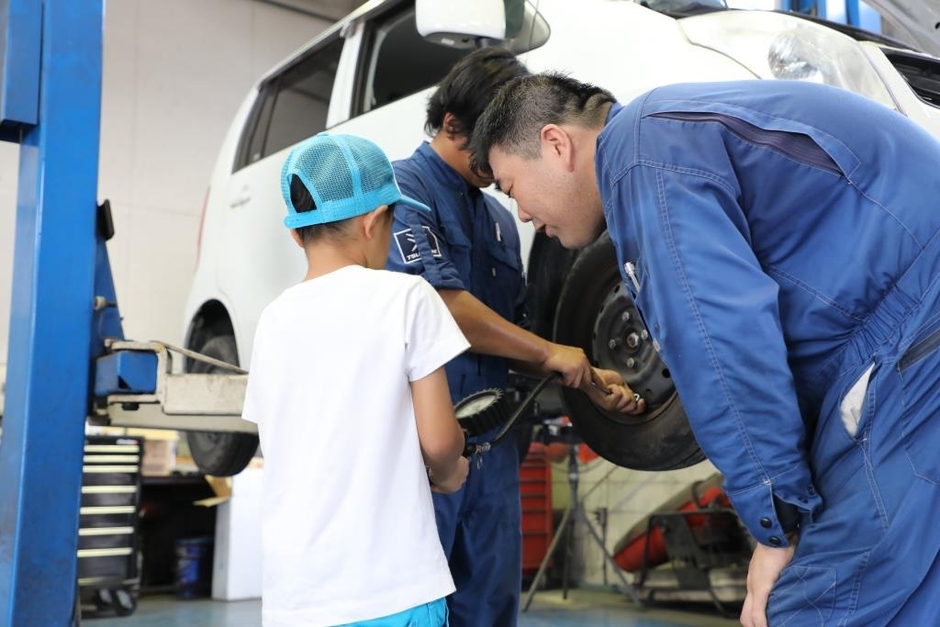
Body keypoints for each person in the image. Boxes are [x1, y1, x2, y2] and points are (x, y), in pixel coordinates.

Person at [470, 73, 940, 626]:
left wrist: (775, 524)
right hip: (900, 329)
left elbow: (720, 343)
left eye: (509, 186)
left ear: (555, 144)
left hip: (912, 327)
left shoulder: (640, 155)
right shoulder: (664, 134)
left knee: (808, 605)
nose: (521, 214)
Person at [385, 49, 642, 626]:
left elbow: (519, 335)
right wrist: (551, 352)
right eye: (486, 137)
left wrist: (590, 379)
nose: (496, 158)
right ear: (451, 123)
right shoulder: (400, 192)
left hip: (497, 446)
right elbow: (439, 309)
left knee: (493, 605)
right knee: (419, 605)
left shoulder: (503, 218)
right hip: (427, 442)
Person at [242, 132, 472, 627]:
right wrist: (452, 472)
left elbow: (275, 442)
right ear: (374, 222)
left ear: (296, 234)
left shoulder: (273, 320)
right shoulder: (409, 297)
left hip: (295, 596)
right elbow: (438, 443)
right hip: (393, 588)